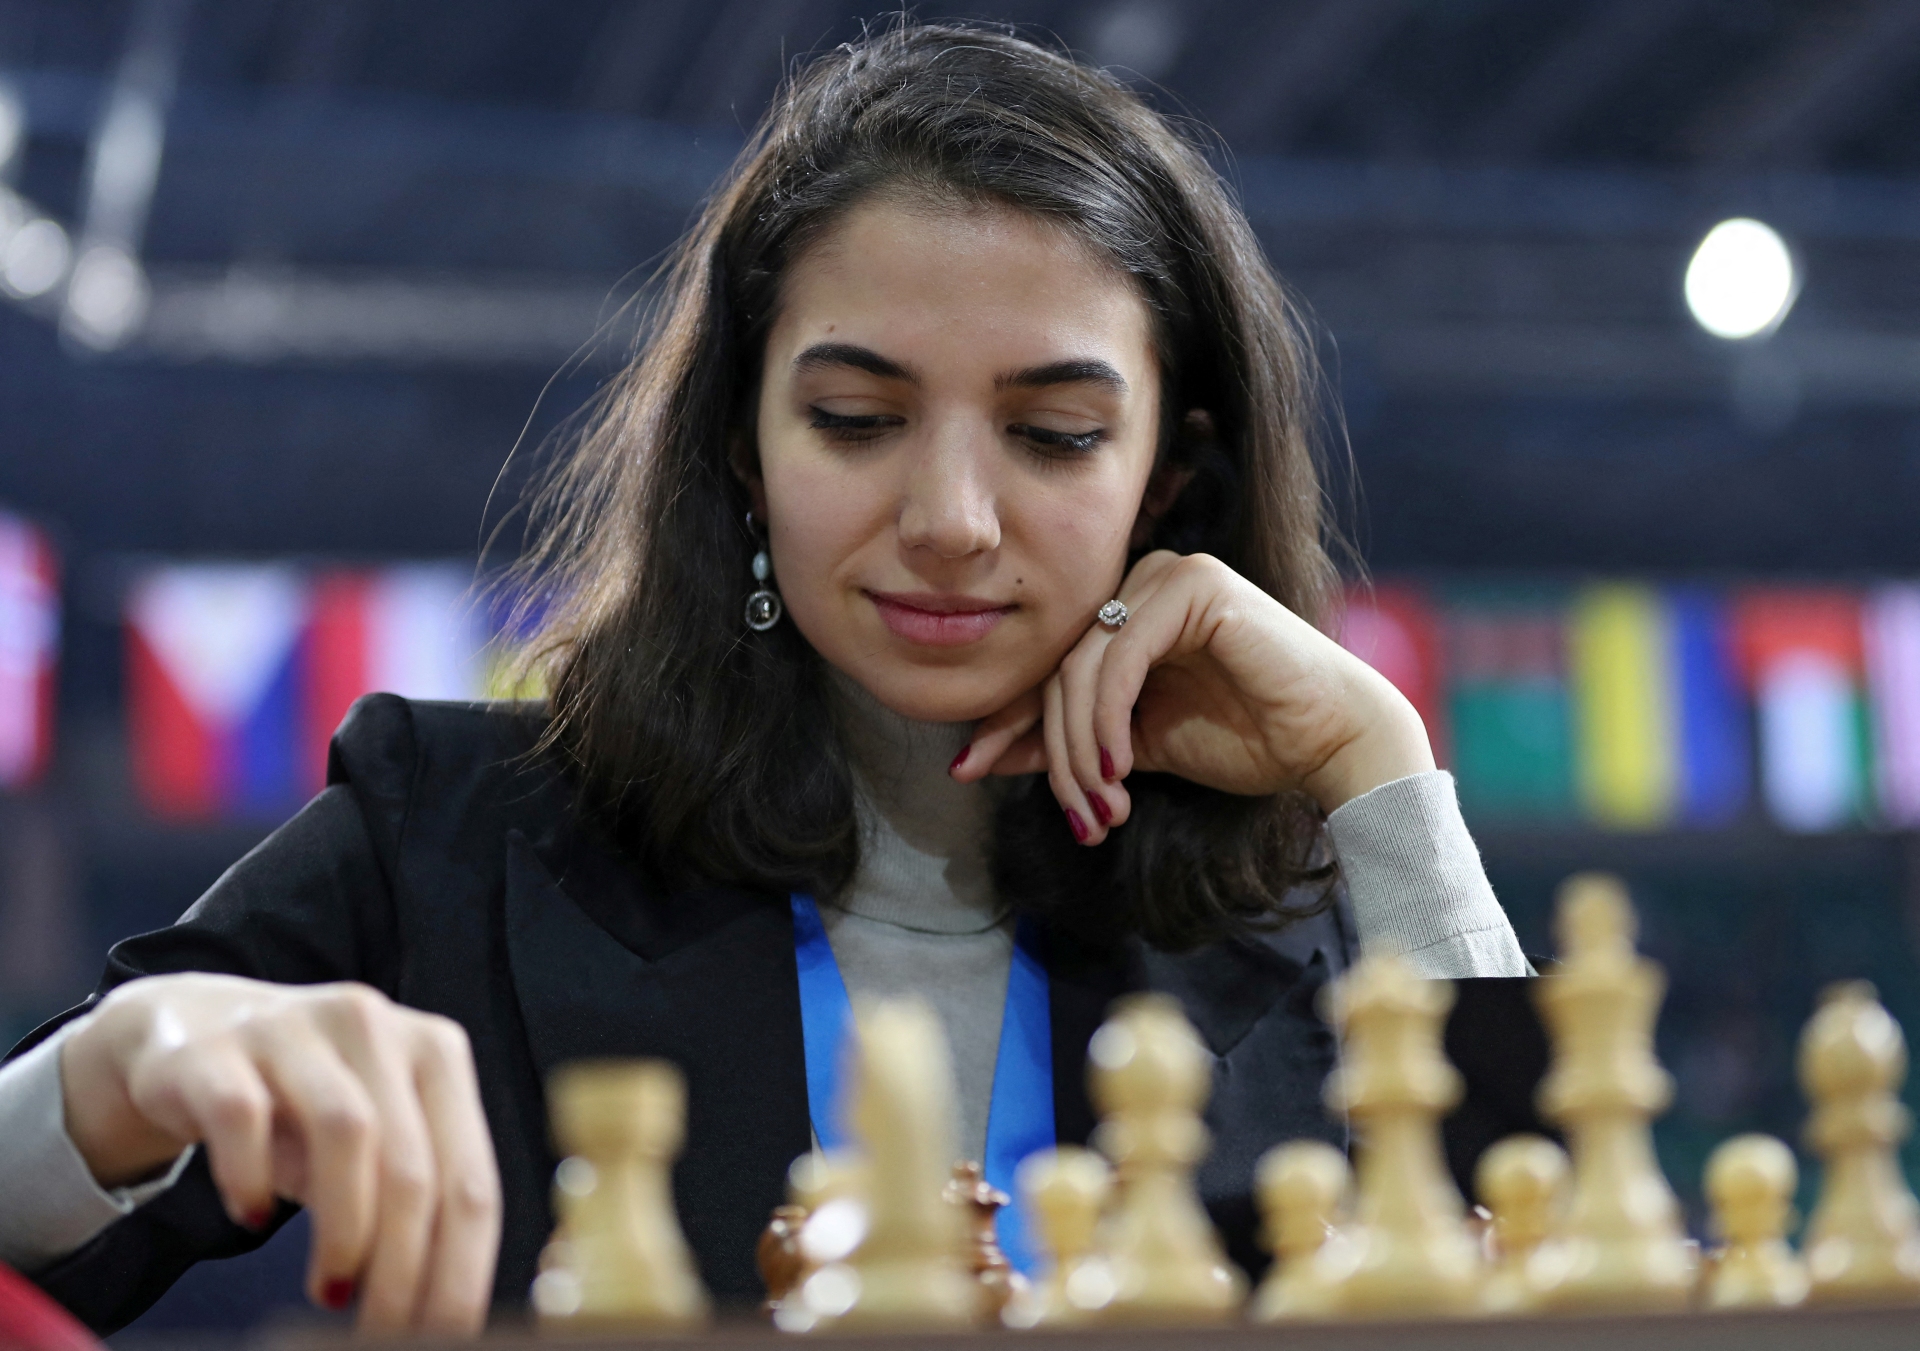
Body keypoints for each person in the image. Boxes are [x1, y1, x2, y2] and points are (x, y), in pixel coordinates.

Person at [0, 21, 1529, 1338]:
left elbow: (1580, 1285)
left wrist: (1381, 771)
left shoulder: (1298, 911)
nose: (951, 520)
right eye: (857, 419)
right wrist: (121, 1073)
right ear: (742, 444)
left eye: (1054, 435)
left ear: (1169, 478)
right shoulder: (447, 839)